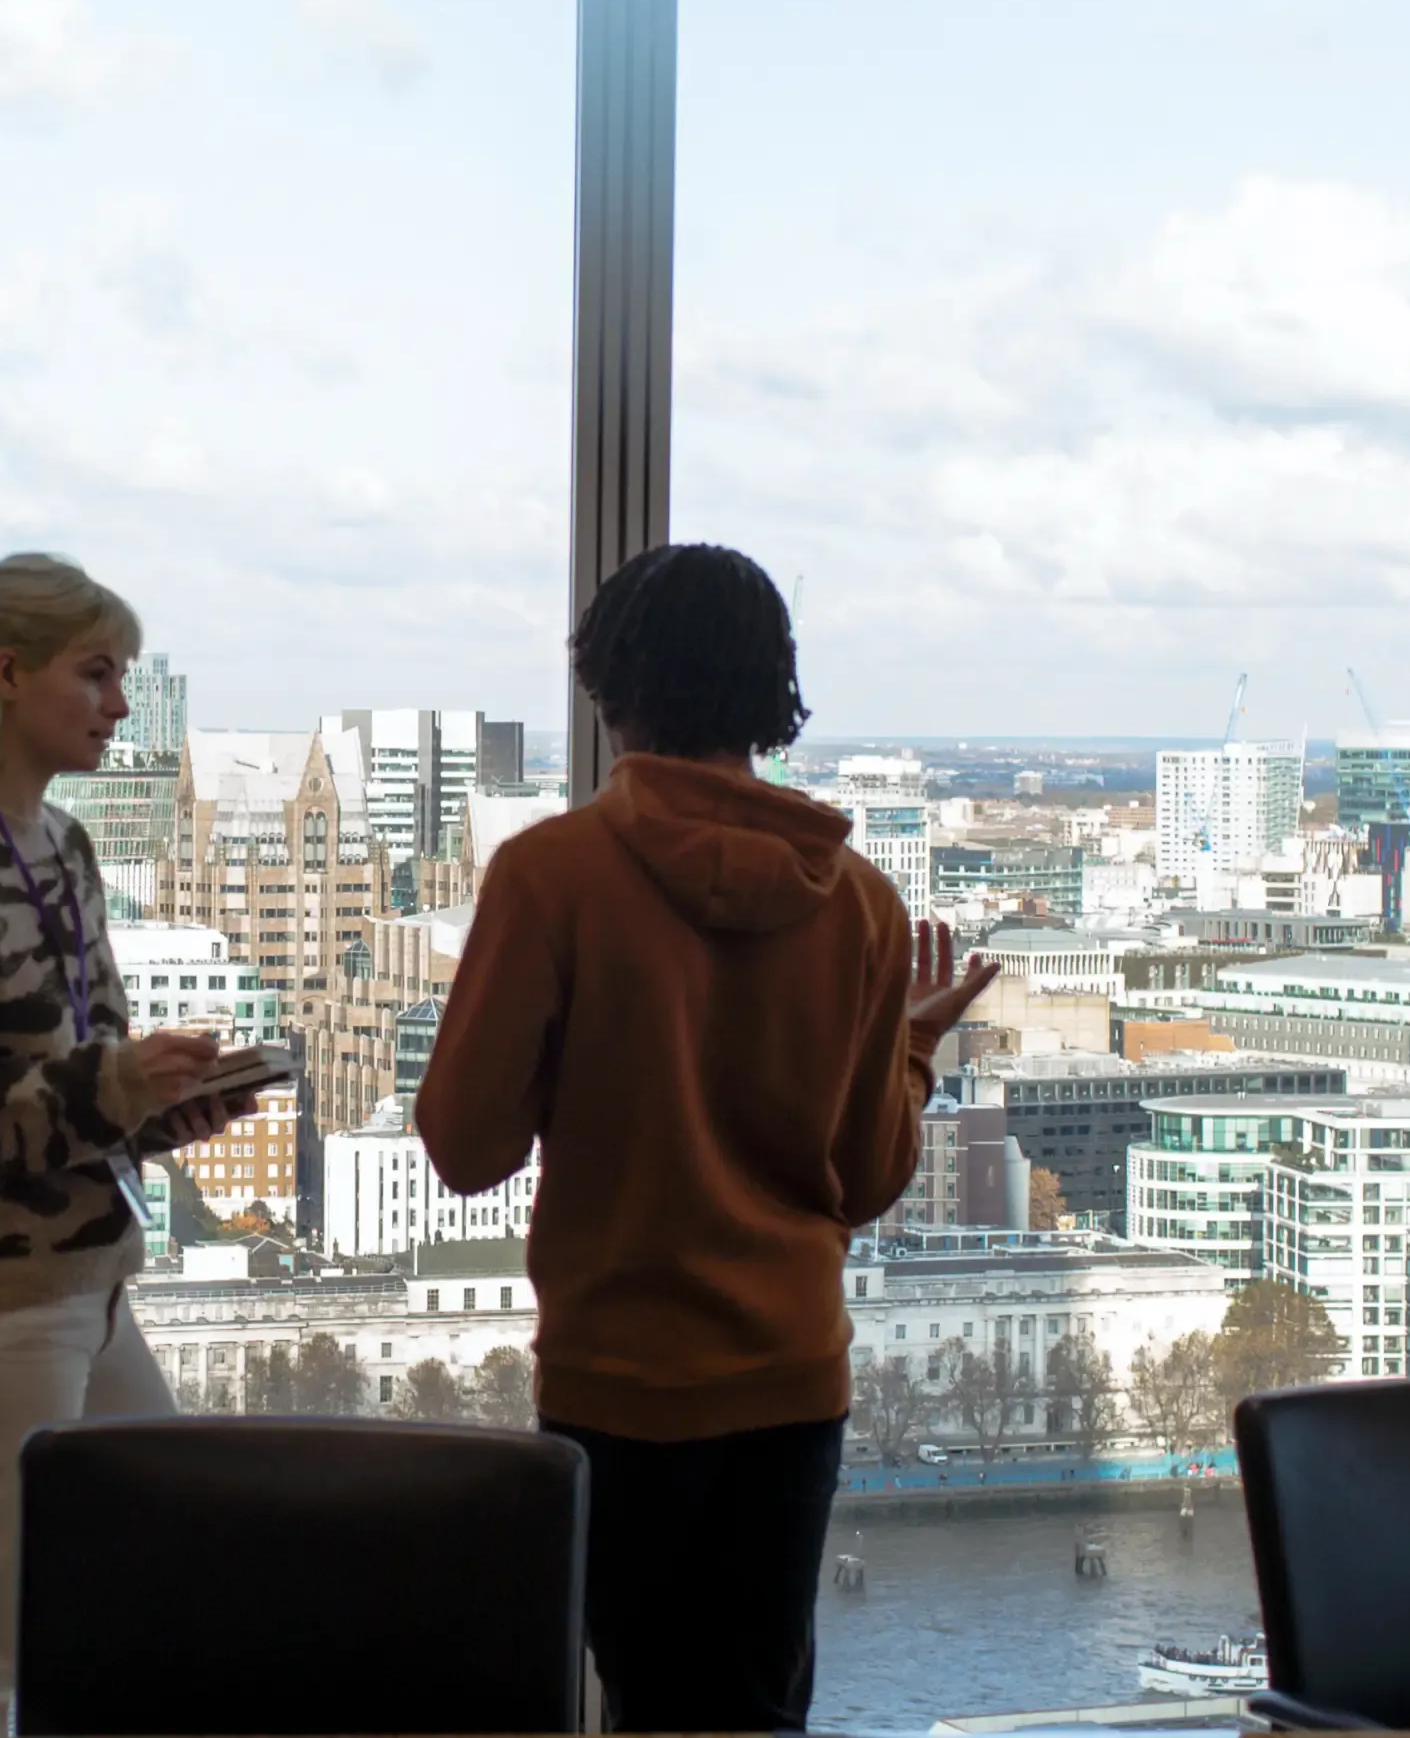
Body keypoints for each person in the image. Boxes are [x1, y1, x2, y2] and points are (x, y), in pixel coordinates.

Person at [413, 543, 997, 1733]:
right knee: (754, 1711)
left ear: (610, 689)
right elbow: (871, 1175)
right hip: (791, 1388)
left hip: (618, 1385)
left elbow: (465, 1145)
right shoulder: (864, 902)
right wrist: (910, 1048)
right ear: (771, 695)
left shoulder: (550, 877)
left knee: (649, 1702)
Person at [0, 554, 255, 1738]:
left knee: (157, 1553)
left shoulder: (64, 850)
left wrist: (172, 1101)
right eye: (97, 672)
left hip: (83, 1279)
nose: (120, 703)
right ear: (12, 674)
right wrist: (117, 1084)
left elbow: (92, 1069)